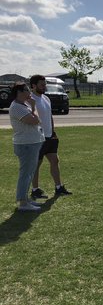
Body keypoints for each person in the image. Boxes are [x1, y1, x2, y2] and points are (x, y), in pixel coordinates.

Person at [28, 75, 70, 199]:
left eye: (45, 84)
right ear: (33, 86)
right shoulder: (30, 99)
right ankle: (35, 190)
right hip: (37, 138)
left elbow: (49, 116)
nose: (44, 86)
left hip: (50, 136)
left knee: (55, 160)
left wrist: (53, 131)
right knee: (37, 164)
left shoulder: (46, 98)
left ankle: (58, 188)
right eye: (42, 84)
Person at [9, 83, 46, 212]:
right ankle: (23, 203)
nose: (29, 92)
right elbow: (35, 120)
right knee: (25, 174)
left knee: (29, 173)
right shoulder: (16, 107)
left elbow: (37, 119)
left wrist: (32, 108)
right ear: (19, 92)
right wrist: (34, 107)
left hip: (32, 143)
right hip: (26, 145)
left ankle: (24, 198)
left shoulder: (24, 105)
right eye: (27, 90)